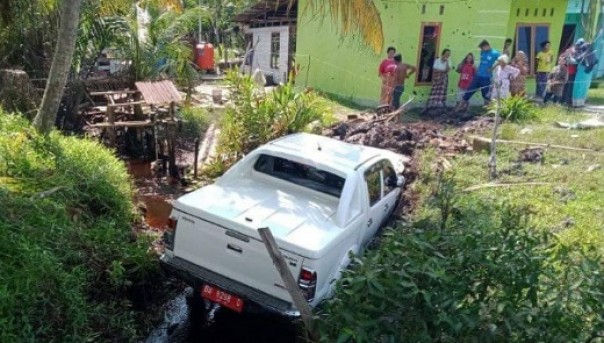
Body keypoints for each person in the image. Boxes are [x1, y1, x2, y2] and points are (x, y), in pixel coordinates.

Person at [456, 40, 500, 111]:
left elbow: (502, 60)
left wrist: (492, 68)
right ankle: (458, 108)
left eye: (482, 48)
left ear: (487, 46)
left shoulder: (495, 53)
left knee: (486, 95)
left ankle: (487, 111)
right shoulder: (482, 52)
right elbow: (482, 63)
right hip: (477, 76)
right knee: (469, 91)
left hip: (486, 77)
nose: (481, 50)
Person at [572, 39, 599, 107]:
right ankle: (578, 103)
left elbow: (577, 60)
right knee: (582, 86)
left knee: (581, 86)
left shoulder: (589, 52)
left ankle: (578, 103)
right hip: (587, 71)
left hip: (584, 71)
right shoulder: (583, 52)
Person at [561, 40, 580, 106]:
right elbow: (576, 61)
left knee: (565, 86)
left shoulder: (567, 51)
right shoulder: (574, 51)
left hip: (565, 71)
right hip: (572, 71)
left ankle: (562, 99)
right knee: (570, 86)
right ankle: (568, 101)